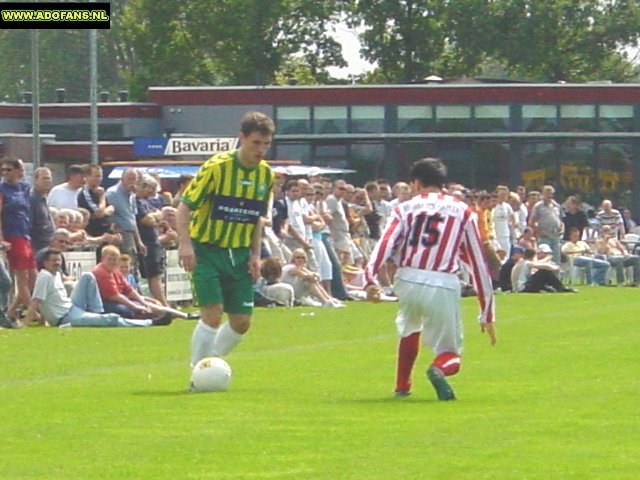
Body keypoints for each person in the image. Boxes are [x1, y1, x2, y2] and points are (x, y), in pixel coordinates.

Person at [364, 158, 496, 401]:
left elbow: (385, 243)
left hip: (407, 278)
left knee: (410, 327)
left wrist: (370, 278)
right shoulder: (462, 211)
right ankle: (438, 369)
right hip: (442, 281)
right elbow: (477, 262)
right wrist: (486, 311)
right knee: (451, 354)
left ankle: (402, 385)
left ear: (415, 183)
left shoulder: (404, 208)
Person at [176, 111, 276, 369]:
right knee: (212, 312)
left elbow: (256, 218)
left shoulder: (265, 175)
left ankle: (213, 363)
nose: (261, 150)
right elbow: (184, 207)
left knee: (242, 321)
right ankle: (198, 371)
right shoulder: (216, 167)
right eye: (256, 143)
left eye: (266, 144)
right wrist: (185, 245)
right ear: (241, 138)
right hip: (207, 250)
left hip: (240, 253)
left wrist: (255, 255)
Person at [23, 248, 168, 328]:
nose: (57, 263)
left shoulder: (55, 274)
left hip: (71, 307)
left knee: (88, 276)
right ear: (45, 262)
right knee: (111, 319)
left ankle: (97, 311)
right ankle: (150, 323)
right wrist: (25, 324)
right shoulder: (44, 276)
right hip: (65, 317)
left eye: (58, 260)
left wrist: (43, 321)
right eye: (53, 260)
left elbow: (45, 301)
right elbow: (36, 301)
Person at [0, 157, 37, 322]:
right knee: (21, 279)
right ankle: (35, 314)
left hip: (25, 234)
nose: (5, 173)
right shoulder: (2, 189)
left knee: (33, 277)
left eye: (9, 169)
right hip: (12, 235)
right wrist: (1, 239)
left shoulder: (24, 188)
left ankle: (12, 311)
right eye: (4, 170)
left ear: (18, 171)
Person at [529, 185, 564, 265]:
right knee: (544, 259)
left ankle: (556, 276)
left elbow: (561, 220)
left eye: (551, 193)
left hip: (556, 235)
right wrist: (539, 232)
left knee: (556, 259)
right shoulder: (538, 206)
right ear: (543, 194)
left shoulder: (557, 206)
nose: (549, 195)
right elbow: (532, 222)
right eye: (547, 193)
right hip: (544, 236)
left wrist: (562, 229)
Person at [29, 167, 55, 252]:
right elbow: (29, 224)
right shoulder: (32, 198)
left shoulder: (44, 198)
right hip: (36, 245)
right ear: (36, 180)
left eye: (49, 178)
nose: (47, 181)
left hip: (47, 245)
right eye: (44, 178)